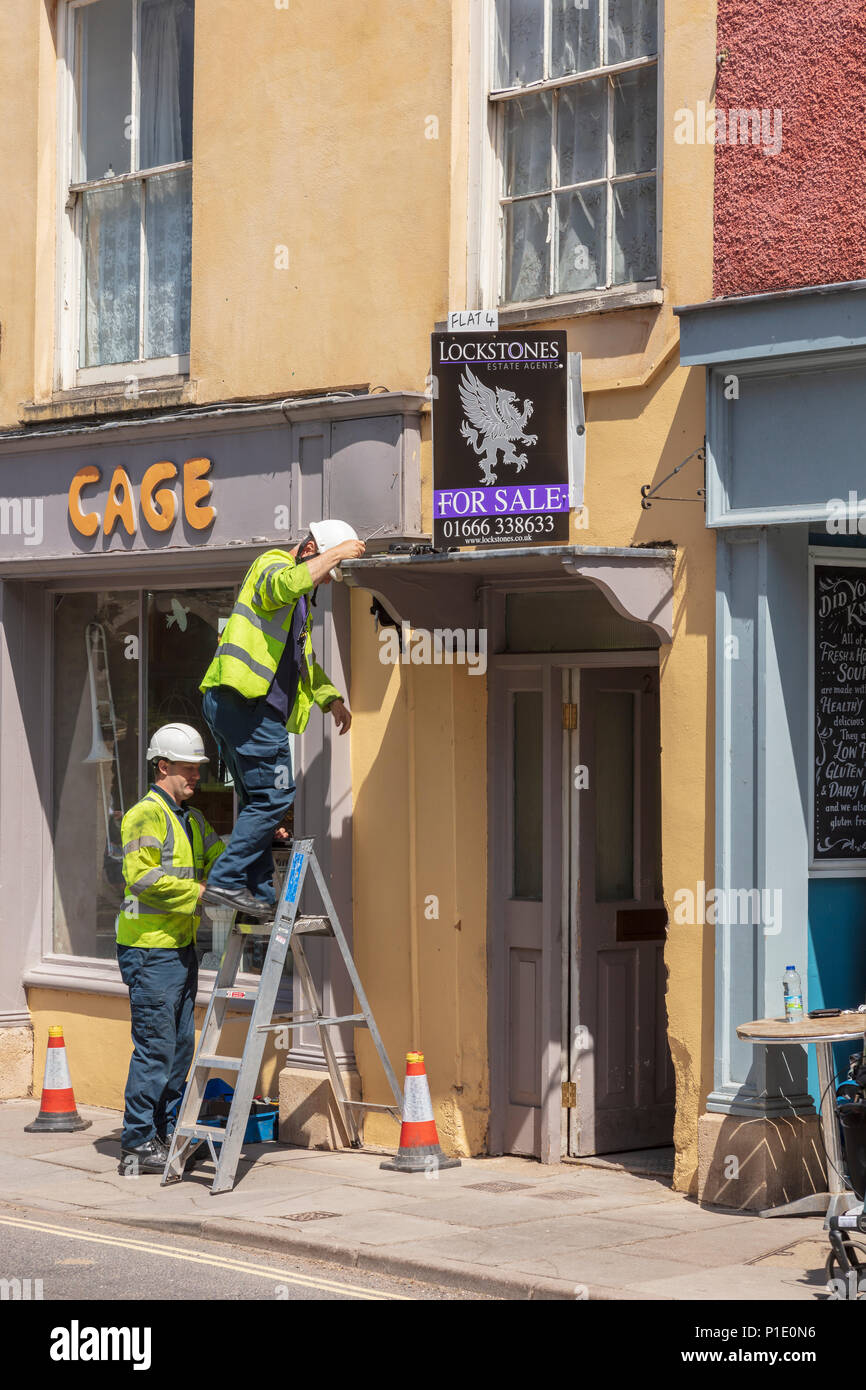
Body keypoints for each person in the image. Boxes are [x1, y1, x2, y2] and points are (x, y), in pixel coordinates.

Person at [200, 520, 365, 919]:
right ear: (311, 550)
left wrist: (330, 699)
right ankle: (224, 881)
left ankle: (256, 894)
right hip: (248, 705)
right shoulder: (272, 565)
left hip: (234, 704)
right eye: (326, 571)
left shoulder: (300, 605)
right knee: (275, 798)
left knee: (260, 803)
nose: (326, 581)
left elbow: (302, 661)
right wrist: (339, 552)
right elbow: (282, 585)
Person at [115, 723, 224, 1175]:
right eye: (188, 768)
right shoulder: (146, 814)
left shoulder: (193, 820)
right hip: (148, 950)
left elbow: (222, 858)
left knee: (179, 1046)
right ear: (163, 767)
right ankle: (138, 1142)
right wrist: (198, 893)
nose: (197, 776)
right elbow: (141, 878)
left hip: (179, 948)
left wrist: (262, 841)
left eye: (198, 768)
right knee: (156, 1047)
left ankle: (167, 1133)